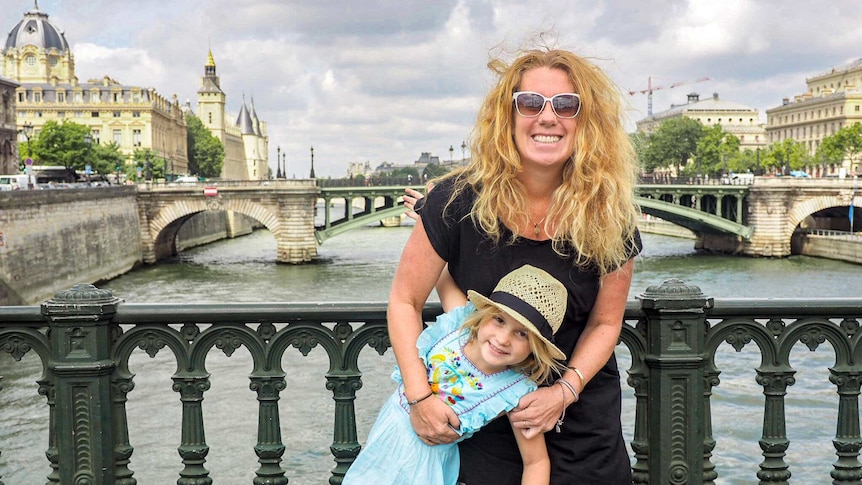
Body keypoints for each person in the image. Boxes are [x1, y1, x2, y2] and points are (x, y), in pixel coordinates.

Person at [389, 46, 642, 484]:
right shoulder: (456, 201)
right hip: (477, 424)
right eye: (530, 103)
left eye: (566, 104)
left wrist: (564, 392)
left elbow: (605, 324)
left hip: (580, 426)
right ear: (507, 116)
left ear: (587, 122)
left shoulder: (610, 214)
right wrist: (420, 398)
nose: (548, 117)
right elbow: (404, 301)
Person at [344, 265, 568, 485]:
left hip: (427, 470)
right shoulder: (459, 324)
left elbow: (536, 462)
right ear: (484, 316)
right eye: (499, 320)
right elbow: (438, 271)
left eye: (521, 334)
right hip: (383, 444)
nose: (502, 339)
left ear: (536, 348)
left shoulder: (514, 392)